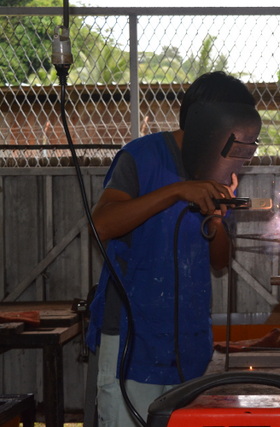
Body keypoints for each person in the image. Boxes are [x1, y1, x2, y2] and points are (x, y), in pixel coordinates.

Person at [86, 71, 261, 427]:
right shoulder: (141, 157)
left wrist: (215, 219)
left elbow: (220, 262)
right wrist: (177, 191)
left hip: (189, 343)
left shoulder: (220, 171)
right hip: (132, 340)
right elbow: (102, 224)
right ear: (208, 122)